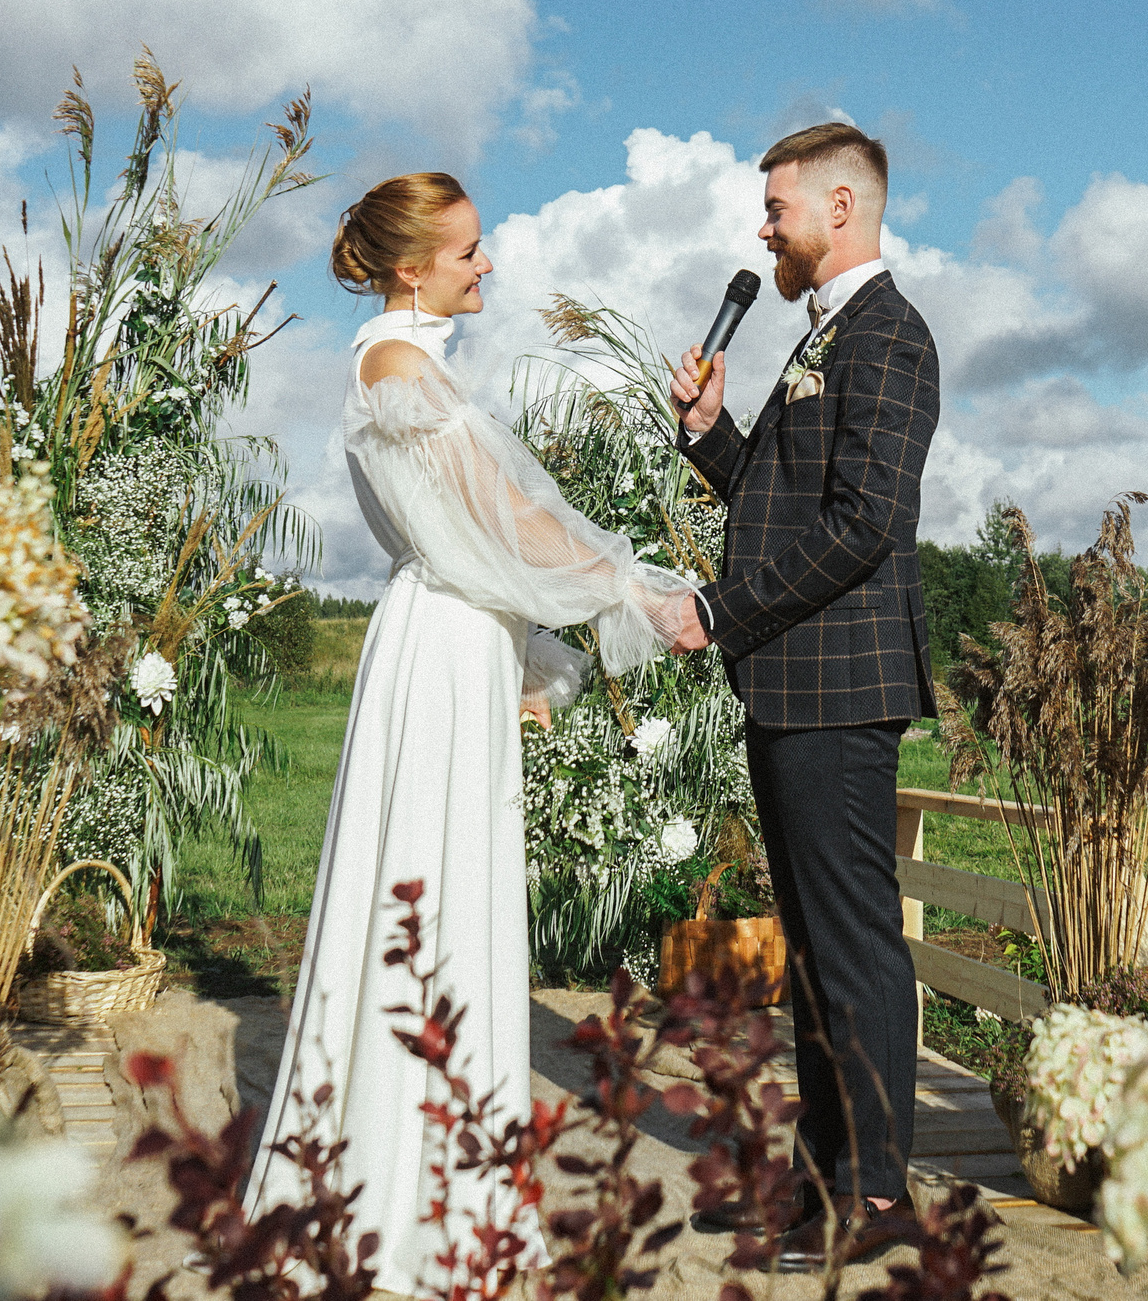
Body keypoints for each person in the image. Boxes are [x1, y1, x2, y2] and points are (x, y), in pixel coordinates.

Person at [245, 171, 698, 1292]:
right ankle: (413, 1189)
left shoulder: (406, 363)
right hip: (442, 646)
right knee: (432, 894)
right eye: (469, 250)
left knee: (443, 890)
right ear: (412, 268)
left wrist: (540, 650)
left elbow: (478, 527)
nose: (486, 263)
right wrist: (629, 591)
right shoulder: (399, 368)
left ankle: (432, 1160)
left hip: (451, 637)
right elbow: (503, 518)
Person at [665, 122, 942, 1273]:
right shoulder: (824, 336)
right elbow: (786, 504)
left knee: (852, 950)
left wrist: (722, 615)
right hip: (796, 684)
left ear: (840, 207)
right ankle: (824, 1173)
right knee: (822, 953)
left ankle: (874, 1196)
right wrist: (712, 437)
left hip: (837, 686)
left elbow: (865, 526)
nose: (761, 227)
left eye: (773, 207)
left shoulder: (888, 335)